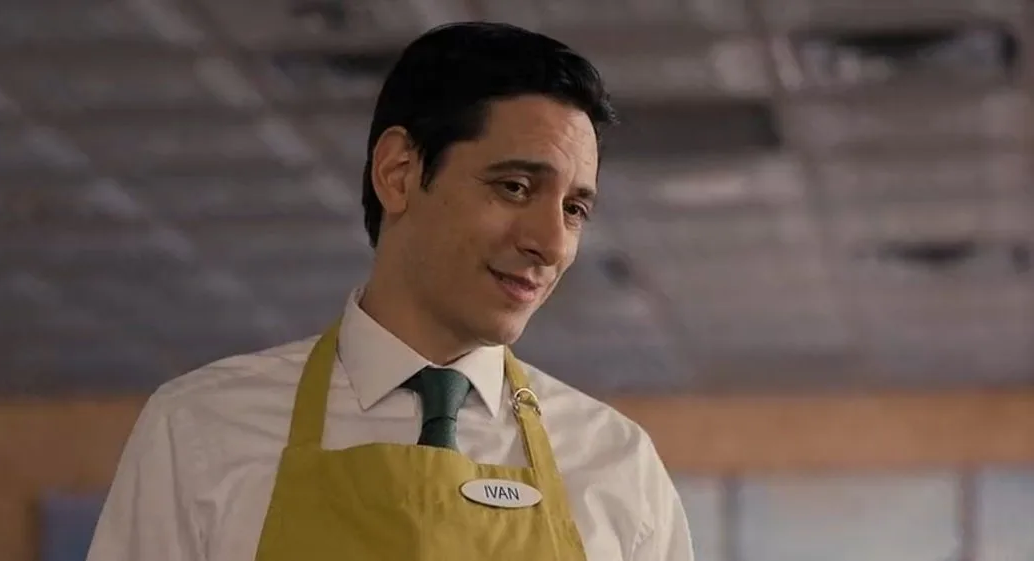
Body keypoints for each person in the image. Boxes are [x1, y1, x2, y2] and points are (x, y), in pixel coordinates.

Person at [86, 21, 693, 561]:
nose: (552, 243)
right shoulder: (201, 430)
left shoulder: (617, 464)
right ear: (398, 173)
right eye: (513, 187)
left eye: (574, 209)